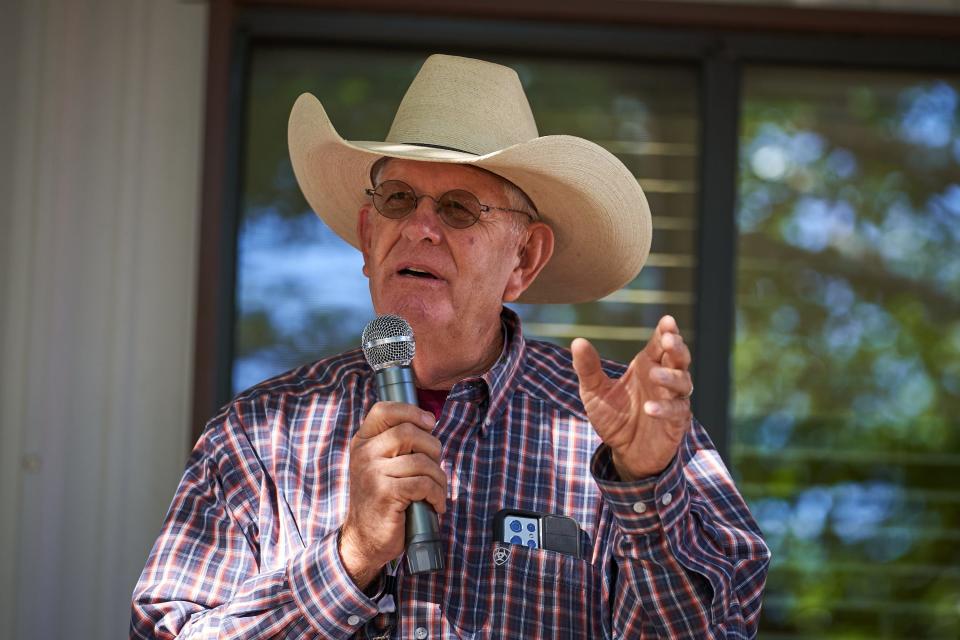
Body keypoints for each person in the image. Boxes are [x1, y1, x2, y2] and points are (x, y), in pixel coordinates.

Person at [131, 54, 769, 639]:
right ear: (366, 232)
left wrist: (645, 488)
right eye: (399, 199)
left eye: (460, 208)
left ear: (525, 258)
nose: (420, 228)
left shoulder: (620, 432)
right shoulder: (259, 436)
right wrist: (349, 558)